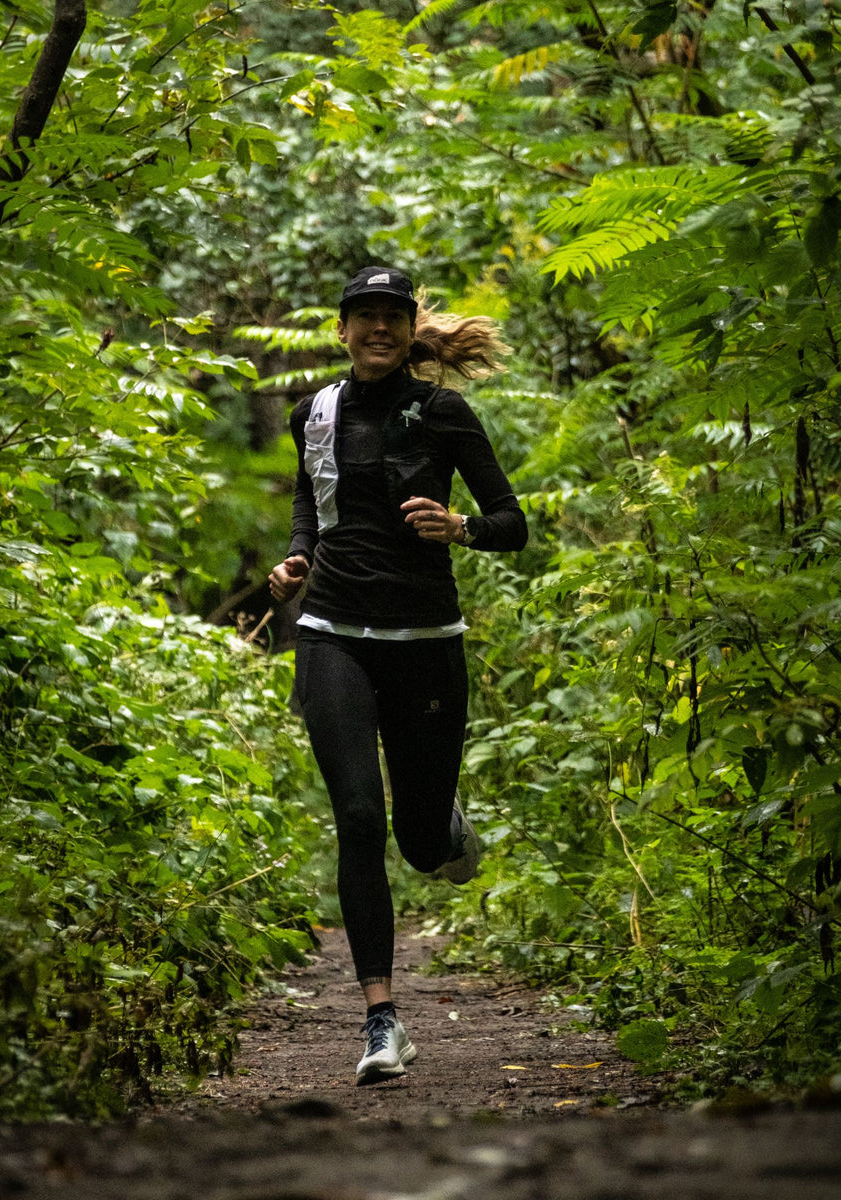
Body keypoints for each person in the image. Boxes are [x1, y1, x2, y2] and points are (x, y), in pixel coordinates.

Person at [268, 266, 528, 1086]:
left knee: (419, 845)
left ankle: (441, 820)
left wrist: (458, 526)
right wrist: (297, 558)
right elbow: (314, 509)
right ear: (341, 330)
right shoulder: (314, 410)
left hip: (425, 637)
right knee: (355, 816)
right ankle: (383, 1022)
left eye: (392, 316)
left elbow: (511, 525)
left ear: (411, 327)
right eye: (363, 317)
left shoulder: (444, 412)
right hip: (333, 630)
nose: (377, 328)